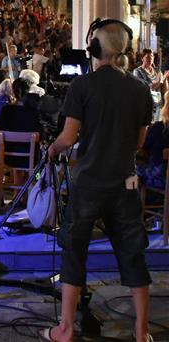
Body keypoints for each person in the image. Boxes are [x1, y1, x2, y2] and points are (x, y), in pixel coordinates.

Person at [44, 19, 153, 342]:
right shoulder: (140, 89)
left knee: (74, 250)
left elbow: (68, 137)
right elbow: (138, 143)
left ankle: (64, 330)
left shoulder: (82, 86)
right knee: (133, 254)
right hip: (124, 183)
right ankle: (141, 332)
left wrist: (53, 148)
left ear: (93, 49)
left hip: (88, 183)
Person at [133, 49, 165, 122]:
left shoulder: (157, 71)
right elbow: (145, 88)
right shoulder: (137, 71)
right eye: (147, 57)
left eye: (152, 56)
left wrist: (164, 79)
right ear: (142, 58)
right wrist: (159, 82)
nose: (150, 58)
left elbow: (162, 87)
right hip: (146, 103)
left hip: (158, 103)